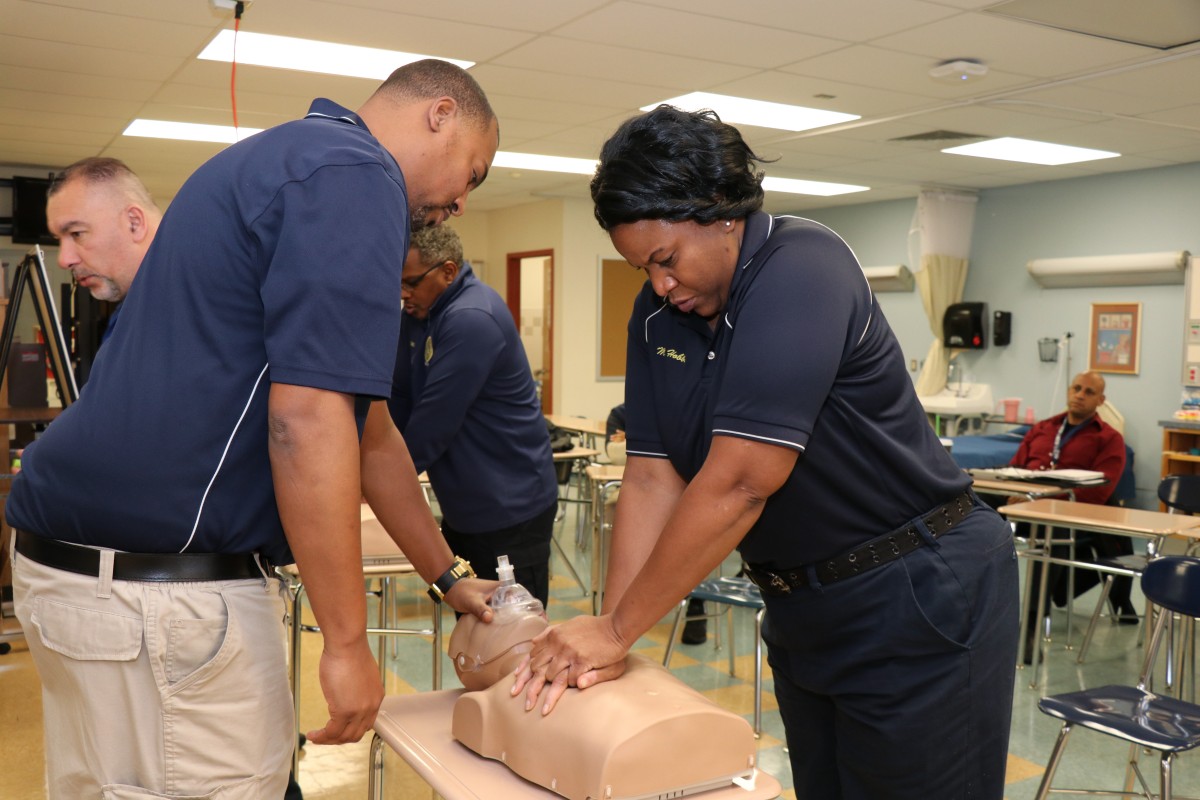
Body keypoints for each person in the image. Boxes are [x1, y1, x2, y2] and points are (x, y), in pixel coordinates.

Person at [8, 58, 500, 799]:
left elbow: (371, 434)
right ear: (440, 115)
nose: (462, 200)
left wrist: (448, 575)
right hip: (155, 591)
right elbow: (305, 422)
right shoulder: (357, 173)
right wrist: (345, 642)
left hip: (64, 571)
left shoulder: (268, 161)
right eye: (475, 170)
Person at [513, 105, 1019, 800]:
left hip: (916, 585)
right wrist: (612, 631)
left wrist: (617, 627)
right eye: (641, 268)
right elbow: (653, 477)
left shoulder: (801, 269)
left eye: (666, 259)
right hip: (804, 603)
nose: (658, 284)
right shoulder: (659, 312)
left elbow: (742, 482)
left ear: (723, 211)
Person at [377, 224, 558, 607]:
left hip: (510, 508)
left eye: (410, 282)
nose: (402, 293)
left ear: (447, 271)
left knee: (512, 641)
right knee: (476, 638)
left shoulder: (472, 318)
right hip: (464, 507)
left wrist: (377, 482)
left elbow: (431, 427)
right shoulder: (419, 314)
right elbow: (399, 396)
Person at [1010, 372, 1133, 654]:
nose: (1080, 394)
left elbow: (1099, 492)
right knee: (975, 511)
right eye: (1076, 388)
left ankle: (1028, 627)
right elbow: (1015, 467)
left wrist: (1046, 499)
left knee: (1051, 529)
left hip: (1073, 515)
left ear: (1101, 400)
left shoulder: (1109, 439)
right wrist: (1017, 493)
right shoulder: (1043, 428)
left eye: (1089, 392)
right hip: (1026, 507)